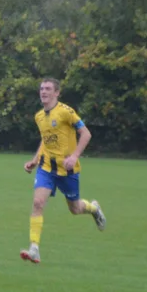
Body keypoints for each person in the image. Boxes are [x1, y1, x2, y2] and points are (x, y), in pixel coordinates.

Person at [21, 78, 106, 264]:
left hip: (68, 170)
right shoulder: (39, 117)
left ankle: (93, 208)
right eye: (41, 88)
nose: (43, 92)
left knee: (75, 209)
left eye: (48, 89)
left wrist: (74, 156)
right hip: (46, 169)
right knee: (37, 203)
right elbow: (45, 140)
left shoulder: (66, 112)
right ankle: (34, 248)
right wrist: (35, 160)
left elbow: (86, 134)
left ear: (57, 93)